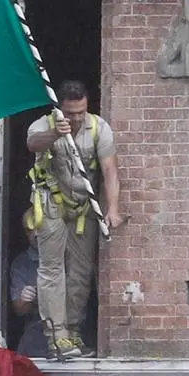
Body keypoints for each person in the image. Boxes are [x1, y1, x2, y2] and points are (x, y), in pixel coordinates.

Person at [26, 79, 122, 359]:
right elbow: (32, 143)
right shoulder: (45, 124)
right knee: (52, 269)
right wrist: (56, 132)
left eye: (81, 112)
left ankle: (74, 331)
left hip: (83, 207)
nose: (76, 119)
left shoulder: (99, 128)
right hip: (51, 203)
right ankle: (57, 336)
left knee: (81, 272)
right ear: (61, 108)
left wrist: (112, 209)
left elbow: (110, 171)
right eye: (71, 113)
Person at [9, 208, 47, 358]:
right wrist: (24, 299)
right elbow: (19, 310)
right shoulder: (22, 263)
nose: (35, 235)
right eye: (29, 231)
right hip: (36, 328)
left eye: (39, 228)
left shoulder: (68, 255)